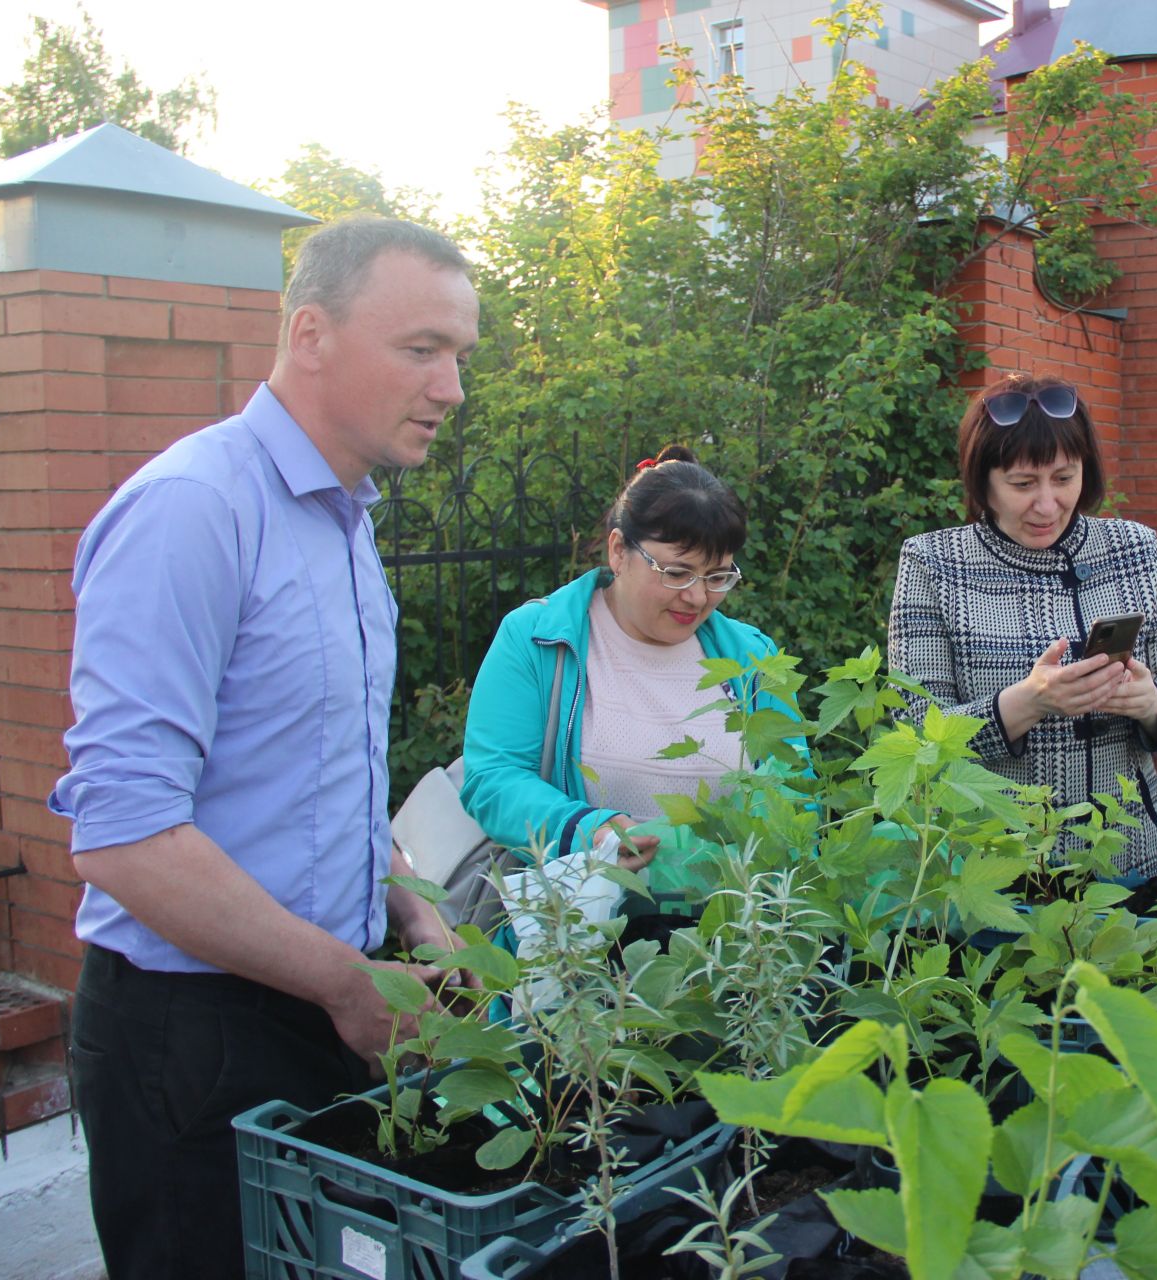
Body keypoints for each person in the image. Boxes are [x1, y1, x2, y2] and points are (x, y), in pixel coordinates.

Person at [50, 218, 478, 1277]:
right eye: (421, 348)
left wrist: (406, 902)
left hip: (316, 1000)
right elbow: (127, 835)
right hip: (190, 1037)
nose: (453, 386)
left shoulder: (342, 521)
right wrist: (343, 978)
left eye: (460, 354)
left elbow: (317, 774)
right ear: (311, 334)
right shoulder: (193, 511)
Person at [888, 374, 1157, 877]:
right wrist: (1027, 703)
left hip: (1131, 859)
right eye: (1022, 484)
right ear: (983, 481)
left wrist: (1152, 705)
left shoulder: (1134, 550)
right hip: (997, 867)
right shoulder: (935, 563)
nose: (1047, 504)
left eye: (1064, 478)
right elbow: (914, 740)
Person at [461, 446, 795, 894]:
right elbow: (493, 777)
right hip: (582, 932)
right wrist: (587, 830)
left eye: (717, 577)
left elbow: (794, 789)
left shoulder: (754, 658)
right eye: (677, 573)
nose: (697, 599)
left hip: (735, 932)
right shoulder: (538, 640)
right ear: (619, 551)